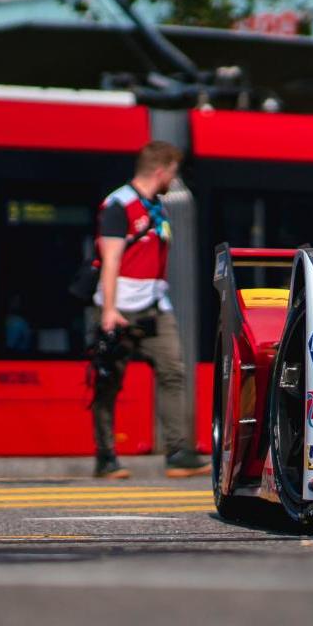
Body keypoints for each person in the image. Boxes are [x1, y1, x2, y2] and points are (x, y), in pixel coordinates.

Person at [91, 140, 201, 480]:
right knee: (108, 381)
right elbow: (110, 259)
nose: (174, 179)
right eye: (173, 173)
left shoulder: (157, 207)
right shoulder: (118, 205)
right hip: (120, 308)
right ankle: (106, 457)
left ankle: (178, 452)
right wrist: (109, 310)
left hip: (155, 307)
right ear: (161, 170)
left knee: (173, 371)